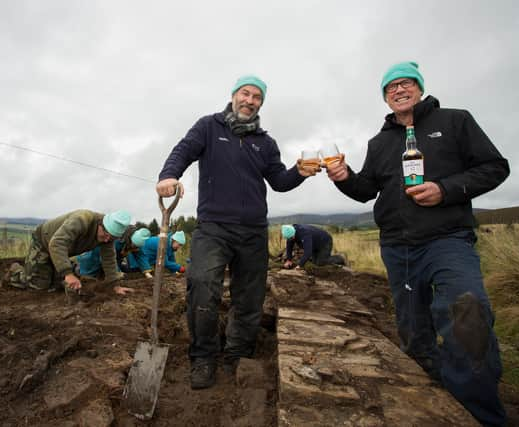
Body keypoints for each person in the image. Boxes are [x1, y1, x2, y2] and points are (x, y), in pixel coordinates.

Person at [325, 61, 509, 426]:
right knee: (413, 330)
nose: (398, 90)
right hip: (397, 247)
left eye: (405, 83)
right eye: (390, 87)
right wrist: (344, 177)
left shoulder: (455, 121)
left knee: (467, 313)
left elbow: (494, 167)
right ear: (385, 97)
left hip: (448, 239)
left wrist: (445, 190)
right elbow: (365, 190)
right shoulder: (379, 142)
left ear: (419, 88)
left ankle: (480, 414)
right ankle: (430, 396)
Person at [156, 75, 316, 389]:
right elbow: (184, 150)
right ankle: (203, 356)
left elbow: (280, 182)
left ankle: (238, 352)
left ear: (261, 104)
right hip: (213, 227)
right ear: (233, 95)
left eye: (257, 97)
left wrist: (298, 172)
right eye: (246, 93)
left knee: (249, 297)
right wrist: (168, 175)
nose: (250, 100)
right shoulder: (209, 127)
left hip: (253, 230)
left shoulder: (265, 143)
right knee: (202, 285)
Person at [10, 209, 135, 296]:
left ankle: (48, 270)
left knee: (54, 287)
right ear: (101, 224)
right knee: (37, 286)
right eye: (106, 235)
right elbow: (57, 243)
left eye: (112, 238)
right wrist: (67, 273)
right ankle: (15, 272)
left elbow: (109, 259)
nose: (107, 240)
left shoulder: (108, 236)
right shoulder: (81, 219)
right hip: (44, 242)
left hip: (63, 250)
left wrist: (115, 285)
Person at [76, 226, 151, 278]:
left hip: (112, 260)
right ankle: (75, 270)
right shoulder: (117, 241)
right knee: (89, 278)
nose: (134, 248)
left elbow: (140, 256)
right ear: (130, 240)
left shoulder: (137, 243)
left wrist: (147, 272)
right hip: (92, 257)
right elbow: (108, 257)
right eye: (134, 245)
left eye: (136, 247)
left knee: (106, 277)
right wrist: (117, 272)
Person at [281, 224, 345, 269]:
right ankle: (323, 257)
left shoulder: (304, 233)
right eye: (289, 238)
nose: (291, 239)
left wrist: (300, 265)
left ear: (293, 232)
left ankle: (340, 258)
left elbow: (308, 252)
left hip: (325, 242)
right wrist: (289, 260)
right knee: (315, 262)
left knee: (321, 262)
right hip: (314, 243)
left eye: (292, 237)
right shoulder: (290, 234)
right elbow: (289, 247)